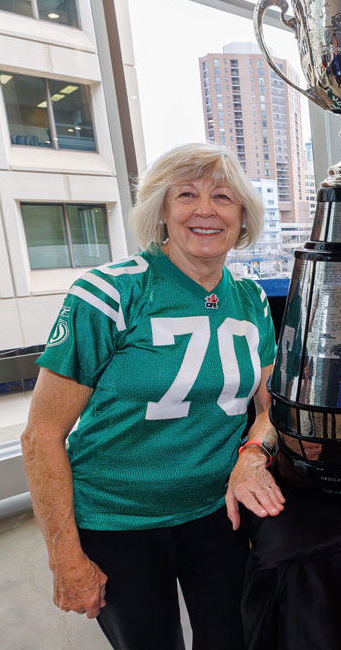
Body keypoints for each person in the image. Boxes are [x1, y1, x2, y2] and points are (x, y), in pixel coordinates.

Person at [21, 143, 284, 650]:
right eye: (186, 194)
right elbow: (42, 435)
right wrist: (65, 555)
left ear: (242, 216)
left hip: (215, 510)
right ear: (162, 211)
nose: (205, 209)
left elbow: (270, 410)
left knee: (236, 637)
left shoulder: (251, 300)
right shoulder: (108, 293)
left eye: (223, 197)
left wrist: (253, 455)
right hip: (118, 519)